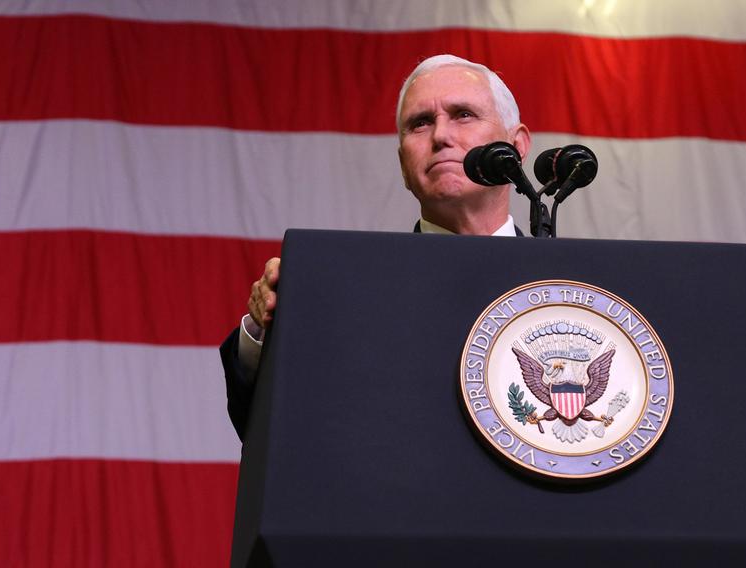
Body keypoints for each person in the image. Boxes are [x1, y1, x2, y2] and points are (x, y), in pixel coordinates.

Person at [220, 54, 532, 439]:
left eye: (463, 114)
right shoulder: (347, 293)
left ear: (516, 146)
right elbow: (274, 429)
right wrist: (264, 332)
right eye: (420, 123)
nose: (440, 136)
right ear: (404, 164)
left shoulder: (569, 288)